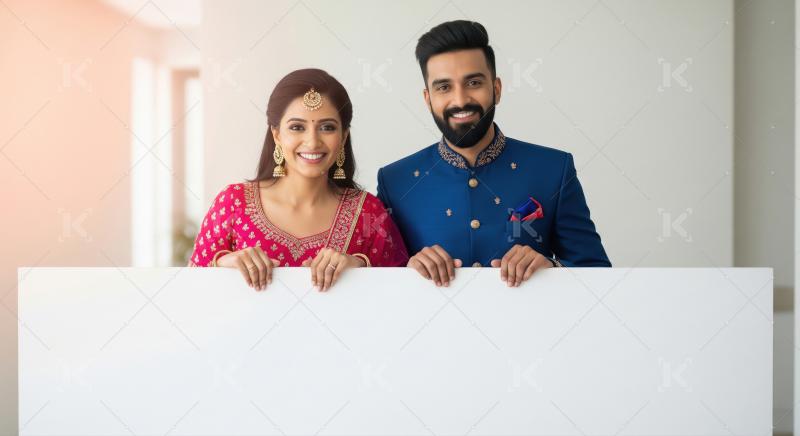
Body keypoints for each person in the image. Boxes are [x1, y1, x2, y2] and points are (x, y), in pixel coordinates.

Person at [377, 20, 610, 289]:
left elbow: (599, 274)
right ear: (428, 99)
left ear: (496, 89)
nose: (460, 100)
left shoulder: (554, 169)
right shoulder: (396, 181)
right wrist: (408, 270)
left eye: (473, 82)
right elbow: (379, 286)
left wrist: (552, 268)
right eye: (444, 87)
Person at [189, 69, 408, 291]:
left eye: (327, 127)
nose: (312, 142)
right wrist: (221, 265)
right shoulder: (233, 203)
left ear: (343, 137)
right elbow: (189, 291)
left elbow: (404, 296)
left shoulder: (368, 213)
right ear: (276, 135)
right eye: (297, 127)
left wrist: (361, 268)